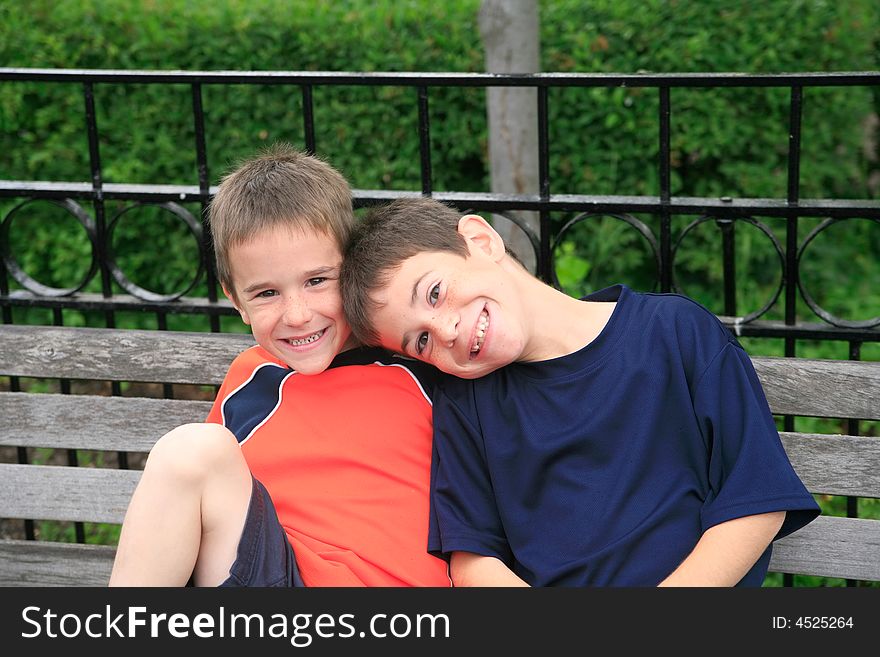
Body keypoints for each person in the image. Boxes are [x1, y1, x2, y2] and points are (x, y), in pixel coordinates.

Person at [339, 196, 821, 587]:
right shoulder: (466, 403)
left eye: (435, 292)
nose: (443, 330)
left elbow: (756, 503)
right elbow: (473, 561)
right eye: (420, 340)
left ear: (481, 241)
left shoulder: (674, 333)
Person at [108, 146, 451, 587]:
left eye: (316, 281)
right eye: (266, 293)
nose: (296, 315)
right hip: (279, 583)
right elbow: (211, 519)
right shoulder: (251, 381)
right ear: (236, 301)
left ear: (352, 271)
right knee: (191, 451)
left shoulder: (417, 364)